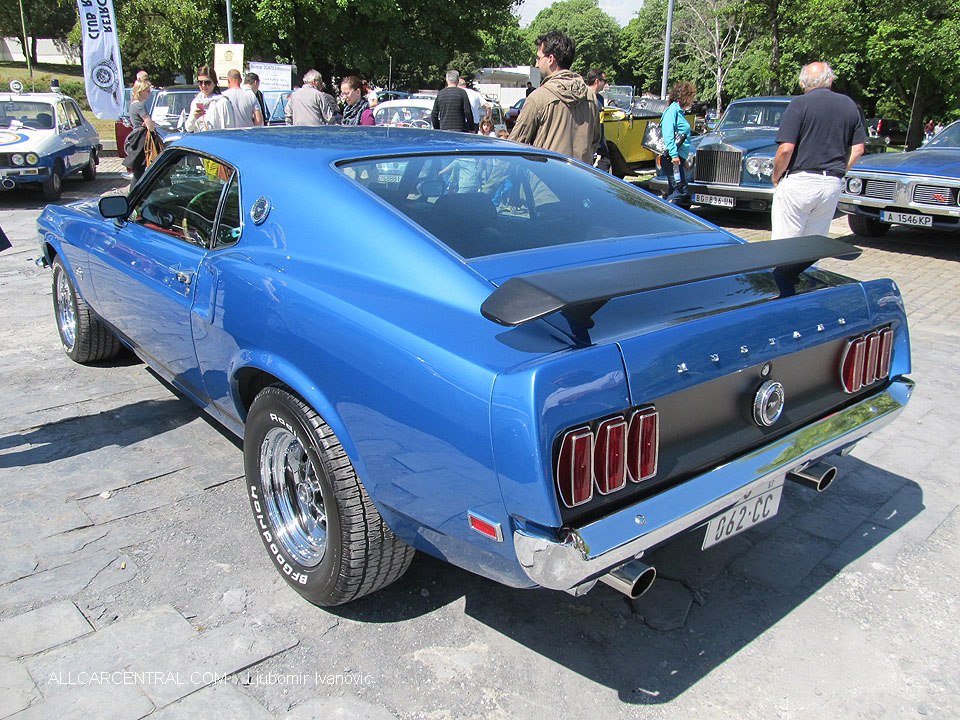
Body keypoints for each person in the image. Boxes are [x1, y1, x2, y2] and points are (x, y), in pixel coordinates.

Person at [770, 61, 865, 240]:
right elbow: (858, 149)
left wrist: (776, 175)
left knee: (784, 244)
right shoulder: (849, 105)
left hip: (800, 181)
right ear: (830, 80)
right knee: (814, 243)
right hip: (831, 184)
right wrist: (840, 171)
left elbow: (786, 149)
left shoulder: (799, 104)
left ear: (802, 83)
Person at [508, 31, 599, 165]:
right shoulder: (590, 96)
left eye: (539, 58)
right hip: (581, 176)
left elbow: (513, 148)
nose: (537, 64)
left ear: (550, 59)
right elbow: (594, 142)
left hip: (546, 176)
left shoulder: (538, 98)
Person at [659, 81, 696, 204]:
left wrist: (684, 159)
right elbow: (668, 134)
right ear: (684, 97)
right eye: (691, 97)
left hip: (678, 158)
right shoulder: (672, 111)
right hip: (672, 158)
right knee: (681, 189)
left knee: (674, 189)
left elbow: (681, 138)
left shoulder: (678, 111)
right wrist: (674, 155)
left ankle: (666, 211)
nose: (692, 100)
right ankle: (665, 210)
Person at [121, 77, 160, 186]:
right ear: (141, 91)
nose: (149, 94)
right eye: (147, 91)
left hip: (136, 136)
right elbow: (149, 125)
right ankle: (134, 192)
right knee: (141, 169)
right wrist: (152, 124)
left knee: (139, 169)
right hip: (142, 138)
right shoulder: (140, 105)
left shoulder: (132, 104)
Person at [185, 65, 236, 132]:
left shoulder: (222, 102)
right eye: (200, 82)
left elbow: (230, 129)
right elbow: (188, 129)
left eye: (207, 82)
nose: (203, 85)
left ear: (214, 83)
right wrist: (194, 117)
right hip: (199, 138)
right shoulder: (196, 101)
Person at [585, 68, 610, 172]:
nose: (605, 84)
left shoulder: (600, 98)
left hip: (601, 146)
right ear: (597, 81)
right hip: (590, 148)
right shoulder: (584, 98)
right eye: (604, 81)